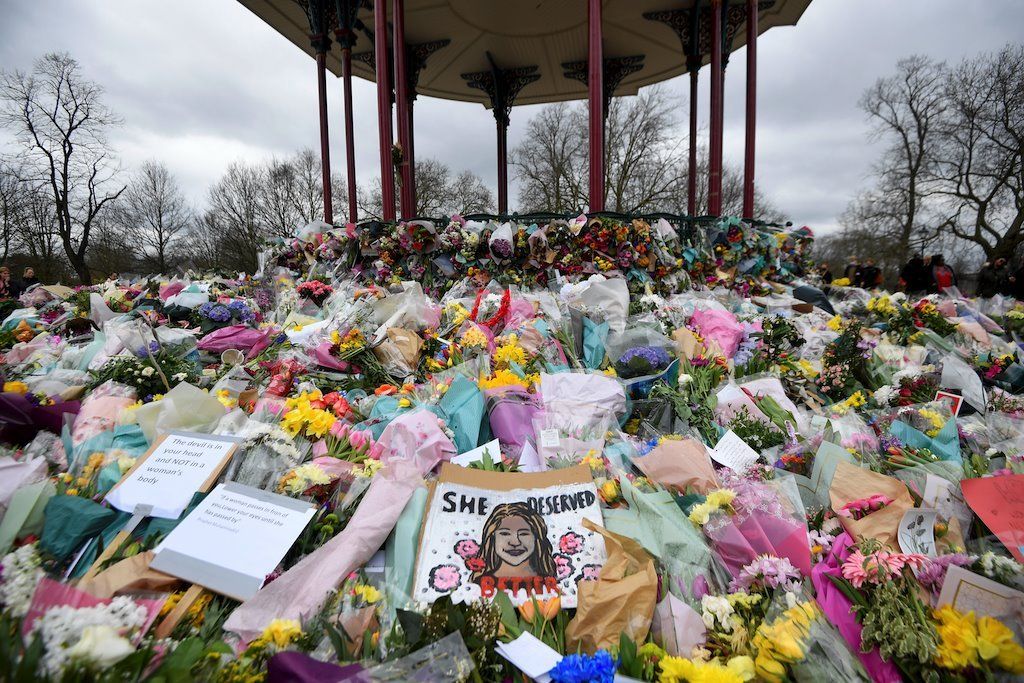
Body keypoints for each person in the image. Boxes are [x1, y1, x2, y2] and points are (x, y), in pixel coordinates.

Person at [471, 502, 557, 582]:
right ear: (493, 537)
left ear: (536, 537)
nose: (515, 542)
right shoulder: (477, 586)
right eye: (505, 533)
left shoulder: (550, 585)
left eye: (523, 534)